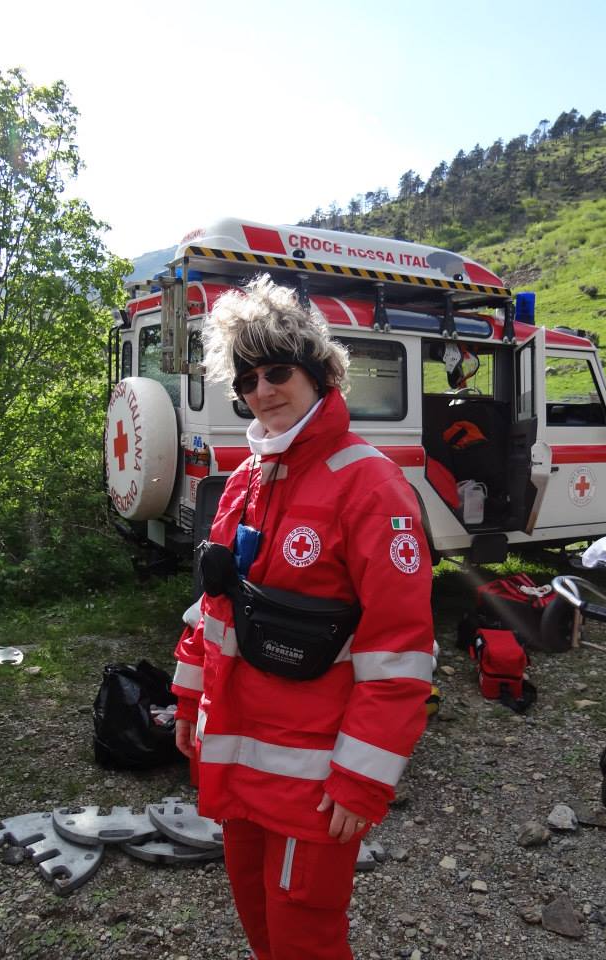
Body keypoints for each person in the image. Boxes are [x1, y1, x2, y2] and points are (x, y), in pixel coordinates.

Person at [172, 274, 434, 960]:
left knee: (304, 937)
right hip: (233, 759)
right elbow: (213, 608)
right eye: (248, 379)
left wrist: (361, 778)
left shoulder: (371, 485)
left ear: (319, 371)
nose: (262, 390)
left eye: (278, 370)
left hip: (314, 779)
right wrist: (187, 700)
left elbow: (399, 652)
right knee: (259, 924)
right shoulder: (245, 480)